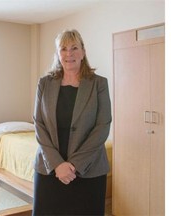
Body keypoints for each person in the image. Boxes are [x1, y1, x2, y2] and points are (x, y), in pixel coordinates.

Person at [32, 29, 112, 215]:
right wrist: (58, 164)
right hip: (49, 167)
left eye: (74, 48)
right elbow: (39, 123)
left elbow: (103, 126)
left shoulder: (99, 84)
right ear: (58, 54)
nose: (69, 54)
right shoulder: (44, 83)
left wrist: (74, 165)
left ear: (83, 52)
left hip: (89, 169)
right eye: (63, 49)